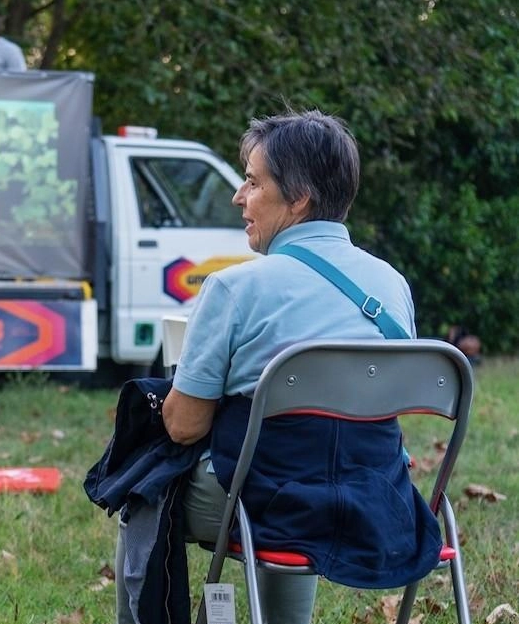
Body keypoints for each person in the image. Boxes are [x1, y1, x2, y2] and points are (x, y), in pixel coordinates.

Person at [131, 110, 440, 624]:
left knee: (143, 488)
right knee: (297, 459)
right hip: (379, 506)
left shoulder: (235, 288)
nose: (238, 197)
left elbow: (185, 427)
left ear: (298, 199)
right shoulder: (391, 285)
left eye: (252, 182)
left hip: (263, 509)